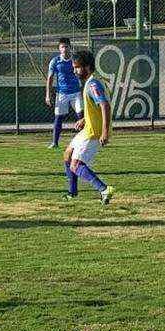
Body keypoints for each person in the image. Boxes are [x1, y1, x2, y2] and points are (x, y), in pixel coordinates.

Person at [63, 48, 114, 205]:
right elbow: (96, 106)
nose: (75, 70)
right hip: (88, 127)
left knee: (76, 164)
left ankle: (104, 189)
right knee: (68, 155)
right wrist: (85, 118)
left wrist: (104, 132)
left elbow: (105, 106)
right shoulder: (93, 81)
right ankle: (72, 193)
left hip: (94, 132)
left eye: (77, 67)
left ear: (87, 67)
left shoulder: (93, 84)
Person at [45, 37, 82, 149]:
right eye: (62, 47)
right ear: (59, 49)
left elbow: (82, 74)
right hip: (62, 94)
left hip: (76, 93)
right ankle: (55, 143)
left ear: (70, 48)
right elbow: (50, 78)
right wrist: (48, 95)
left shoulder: (75, 60)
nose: (64, 49)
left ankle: (85, 140)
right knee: (58, 117)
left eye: (66, 46)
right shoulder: (55, 61)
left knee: (82, 116)